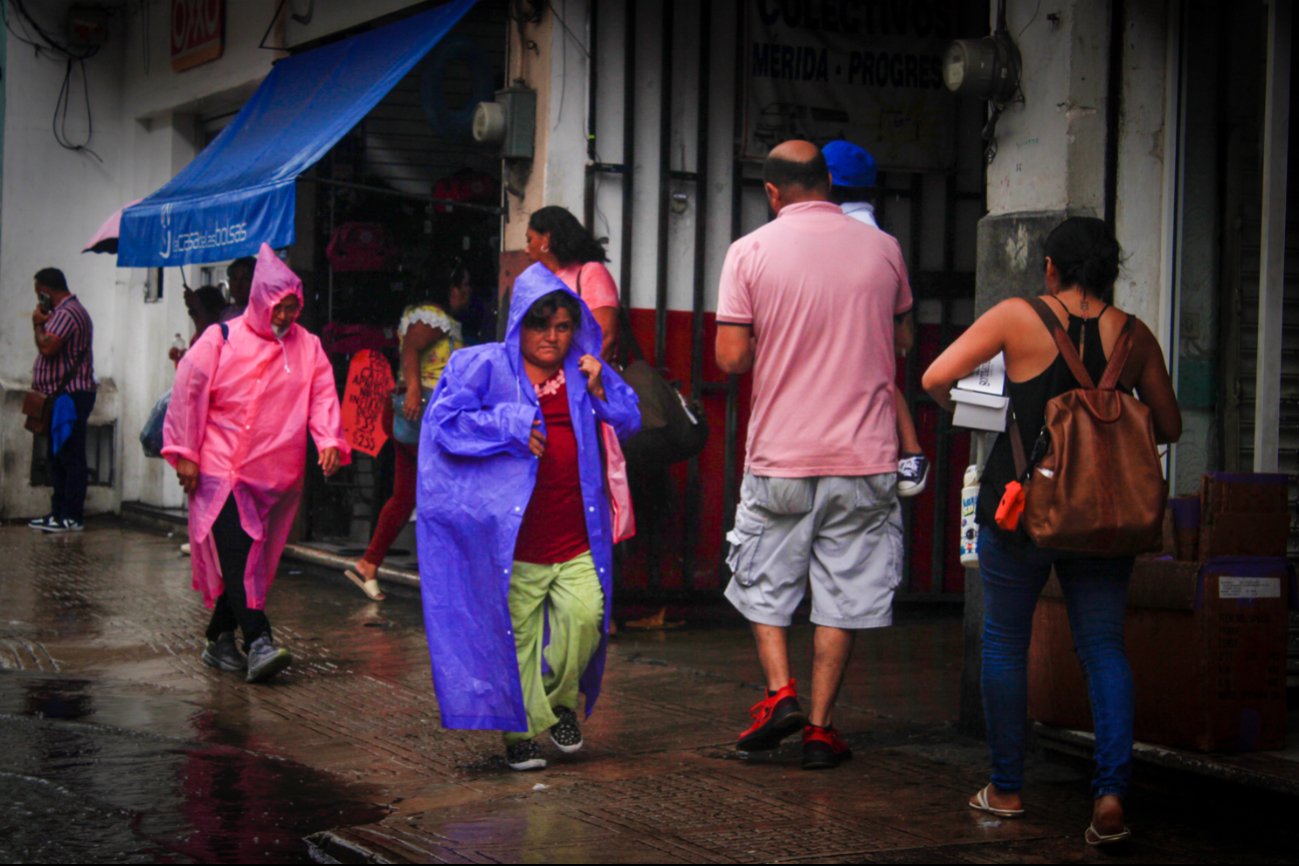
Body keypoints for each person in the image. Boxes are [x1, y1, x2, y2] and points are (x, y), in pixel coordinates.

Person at [921, 217, 1181, 846]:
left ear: (1050, 269)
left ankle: (1006, 789)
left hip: (1019, 507)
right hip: (1104, 518)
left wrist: (984, 412)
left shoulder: (1017, 317)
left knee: (1006, 642)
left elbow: (934, 378)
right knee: (1102, 648)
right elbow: (1168, 426)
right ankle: (1111, 795)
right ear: (1110, 272)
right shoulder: (1136, 337)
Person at [715, 140, 911, 770]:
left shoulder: (749, 252)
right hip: (866, 455)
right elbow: (903, 339)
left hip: (782, 455)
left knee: (764, 582)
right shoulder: (884, 249)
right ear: (829, 182)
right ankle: (821, 730)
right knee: (845, 592)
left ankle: (780, 693)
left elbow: (730, 359)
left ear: (772, 193)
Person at [416, 263, 639, 771]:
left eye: (563, 326)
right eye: (542, 326)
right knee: (515, 640)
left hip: (575, 537)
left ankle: (558, 704)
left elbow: (631, 420)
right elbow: (445, 424)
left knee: (587, 621)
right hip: (514, 544)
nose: (553, 337)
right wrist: (512, 423)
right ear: (520, 323)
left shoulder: (584, 371)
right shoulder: (483, 366)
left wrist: (604, 388)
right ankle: (518, 732)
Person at [163, 244, 350, 684]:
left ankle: (219, 640)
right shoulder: (221, 339)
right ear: (260, 302)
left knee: (250, 559)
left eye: (292, 308)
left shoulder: (309, 347)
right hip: (221, 471)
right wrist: (186, 454)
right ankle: (259, 641)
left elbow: (323, 396)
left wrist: (327, 439)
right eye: (278, 307)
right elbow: (188, 394)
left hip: (275, 478)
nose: (285, 317)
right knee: (241, 551)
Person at [343, 259, 472, 601]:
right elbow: (412, 348)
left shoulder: (426, 314)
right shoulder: (434, 317)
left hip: (411, 415)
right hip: (423, 414)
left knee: (405, 496)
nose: (467, 293)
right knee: (446, 492)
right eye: (463, 285)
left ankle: (368, 564)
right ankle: (448, 579)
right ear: (449, 286)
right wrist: (414, 389)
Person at [822, 139, 929, 496]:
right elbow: (904, 337)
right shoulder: (879, 236)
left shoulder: (837, 232)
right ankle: (912, 449)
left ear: (825, 182)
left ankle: (912, 448)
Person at [27, 267, 97, 533]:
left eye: (39, 294)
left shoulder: (67, 313)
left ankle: (71, 515)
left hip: (71, 395)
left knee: (70, 455)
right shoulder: (66, 311)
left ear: (46, 290)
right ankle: (58, 512)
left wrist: (37, 323)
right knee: (58, 455)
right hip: (63, 394)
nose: (38, 300)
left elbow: (47, 346)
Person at [525, 206, 619, 361]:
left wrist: (580, 380)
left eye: (530, 240)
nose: (526, 249)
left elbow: (605, 337)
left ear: (546, 239)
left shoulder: (591, 273)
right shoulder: (540, 281)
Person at [219, 255, 256, 321]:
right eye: (234, 278)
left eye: (245, 279)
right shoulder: (225, 313)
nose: (238, 284)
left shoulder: (257, 314)